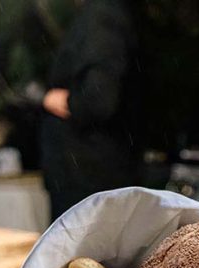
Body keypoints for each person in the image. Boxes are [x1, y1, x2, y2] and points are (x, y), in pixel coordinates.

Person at [41, 0, 140, 220]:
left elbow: (98, 99)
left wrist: (58, 100)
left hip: (86, 175)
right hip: (85, 174)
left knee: (80, 251)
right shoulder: (103, 13)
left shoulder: (102, 15)